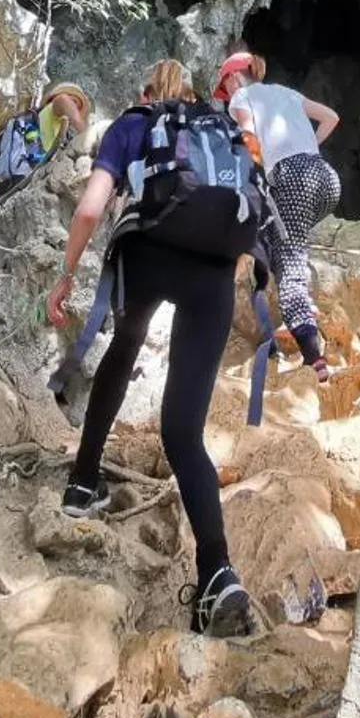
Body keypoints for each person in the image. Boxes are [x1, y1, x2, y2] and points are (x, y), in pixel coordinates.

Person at [47, 60, 254, 637]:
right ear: (191, 96)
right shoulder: (216, 128)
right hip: (214, 272)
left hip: (148, 253)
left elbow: (91, 208)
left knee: (125, 345)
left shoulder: (133, 124)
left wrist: (65, 277)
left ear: (144, 92)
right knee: (183, 433)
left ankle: (83, 483)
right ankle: (218, 574)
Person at [213, 51, 340, 381]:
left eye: (224, 86)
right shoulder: (286, 92)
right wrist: (307, 146)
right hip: (325, 178)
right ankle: (298, 303)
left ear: (232, 77)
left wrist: (252, 173)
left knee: (289, 268)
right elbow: (331, 117)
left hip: (291, 180)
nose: (226, 94)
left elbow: (248, 133)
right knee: (282, 242)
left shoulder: (241, 95)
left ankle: (315, 359)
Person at [0, 81, 94, 202]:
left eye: (78, 107)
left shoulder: (58, 126)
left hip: (17, 177)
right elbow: (63, 100)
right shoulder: (55, 106)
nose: (74, 108)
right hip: (20, 176)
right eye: (74, 101)